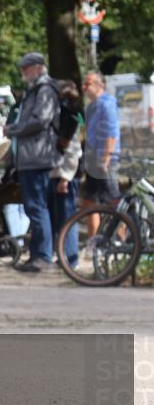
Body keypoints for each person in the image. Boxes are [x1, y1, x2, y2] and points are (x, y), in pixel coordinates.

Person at [3, 52, 60, 273]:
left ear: (37, 67)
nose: (22, 72)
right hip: (30, 157)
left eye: (26, 68)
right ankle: (37, 255)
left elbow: (40, 120)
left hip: (38, 157)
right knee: (33, 207)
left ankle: (44, 256)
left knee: (37, 207)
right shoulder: (34, 90)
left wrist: (13, 129)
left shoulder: (44, 90)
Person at [80, 70, 121, 239]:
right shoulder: (90, 107)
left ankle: (121, 241)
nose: (84, 87)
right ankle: (94, 242)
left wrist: (106, 158)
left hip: (105, 160)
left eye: (87, 83)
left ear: (99, 85)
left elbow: (111, 134)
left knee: (115, 203)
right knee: (90, 202)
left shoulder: (107, 104)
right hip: (92, 159)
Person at [48, 80, 83, 267]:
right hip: (58, 175)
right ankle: (63, 256)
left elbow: (73, 151)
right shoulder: (67, 116)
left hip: (64, 176)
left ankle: (71, 258)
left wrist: (66, 177)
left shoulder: (68, 118)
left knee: (67, 218)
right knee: (59, 218)